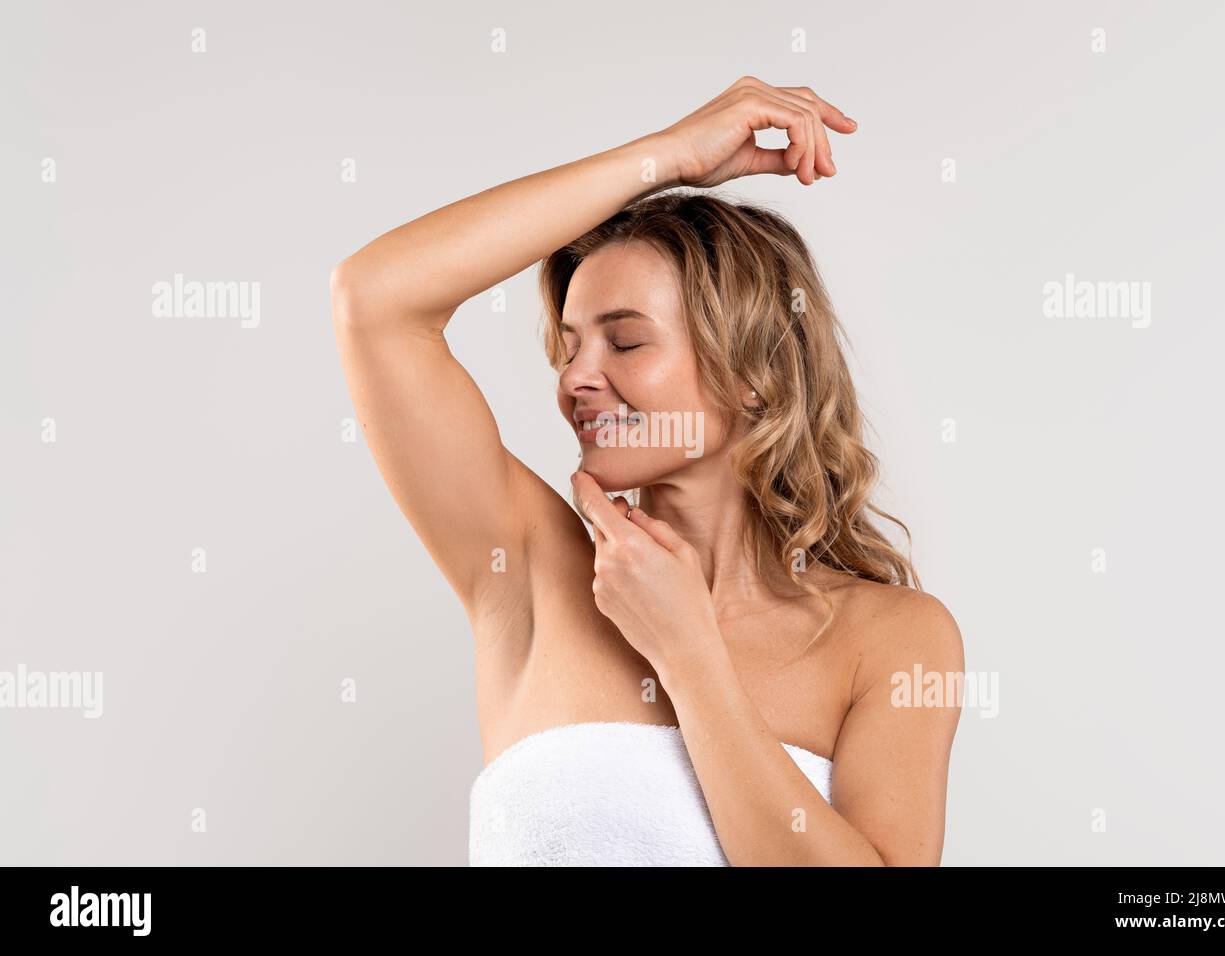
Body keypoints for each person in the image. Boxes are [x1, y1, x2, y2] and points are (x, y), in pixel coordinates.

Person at [331, 76, 964, 865]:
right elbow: (376, 299)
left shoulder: (892, 638)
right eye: (569, 347)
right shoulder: (525, 566)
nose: (576, 378)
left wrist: (689, 656)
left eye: (624, 342)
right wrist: (668, 157)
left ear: (752, 373)